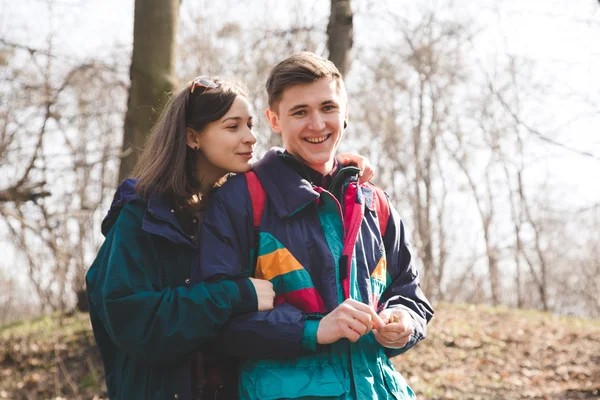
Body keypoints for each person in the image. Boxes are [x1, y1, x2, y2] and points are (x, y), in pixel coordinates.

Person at [85, 76, 376, 400]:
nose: (251, 138)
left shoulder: (230, 210)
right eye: (233, 126)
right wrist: (235, 295)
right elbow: (136, 323)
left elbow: (284, 170)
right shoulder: (143, 219)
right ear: (193, 137)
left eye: (250, 125)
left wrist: (336, 169)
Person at [199, 52, 434, 400]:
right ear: (274, 120)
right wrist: (314, 329)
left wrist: (405, 322)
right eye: (299, 112)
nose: (317, 124)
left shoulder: (375, 202)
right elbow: (216, 318)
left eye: (328, 107)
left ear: (345, 112)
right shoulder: (240, 200)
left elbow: (409, 292)